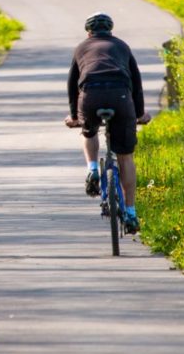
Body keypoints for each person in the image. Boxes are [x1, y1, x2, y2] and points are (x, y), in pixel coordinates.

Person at [65, 12, 151, 234]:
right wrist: (140, 113)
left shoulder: (81, 48)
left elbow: (72, 85)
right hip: (121, 98)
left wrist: (75, 116)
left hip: (90, 96)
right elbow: (136, 82)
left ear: (89, 32)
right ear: (110, 30)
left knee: (89, 131)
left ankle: (92, 168)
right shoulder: (122, 46)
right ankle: (131, 213)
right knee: (126, 156)